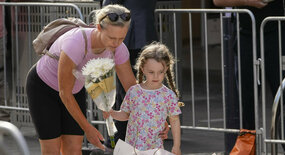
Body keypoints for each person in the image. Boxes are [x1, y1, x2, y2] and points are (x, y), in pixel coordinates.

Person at [26, 4, 136, 155]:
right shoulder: (76, 42)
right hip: (43, 88)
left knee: (73, 149)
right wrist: (88, 128)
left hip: (74, 90)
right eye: (111, 38)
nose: (116, 43)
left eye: (121, 38)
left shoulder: (119, 49)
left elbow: (132, 88)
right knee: (52, 150)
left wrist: (159, 118)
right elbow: (64, 93)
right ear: (98, 28)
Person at [213, 0, 285, 153]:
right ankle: (247, 149)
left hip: (276, 32)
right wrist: (248, 1)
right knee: (246, 100)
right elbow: (217, 1)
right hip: (245, 34)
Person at [104, 42, 181, 154]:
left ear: (166, 69)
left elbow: (174, 121)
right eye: (151, 72)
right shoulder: (134, 92)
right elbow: (125, 114)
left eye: (160, 72)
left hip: (155, 148)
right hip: (132, 147)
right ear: (143, 69)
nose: (156, 76)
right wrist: (112, 113)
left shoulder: (168, 95)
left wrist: (176, 146)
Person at [102, 0, 159, 144]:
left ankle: (119, 140)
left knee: (132, 92)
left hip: (137, 35)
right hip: (132, 35)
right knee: (129, 92)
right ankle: (117, 140)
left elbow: (109, 7)